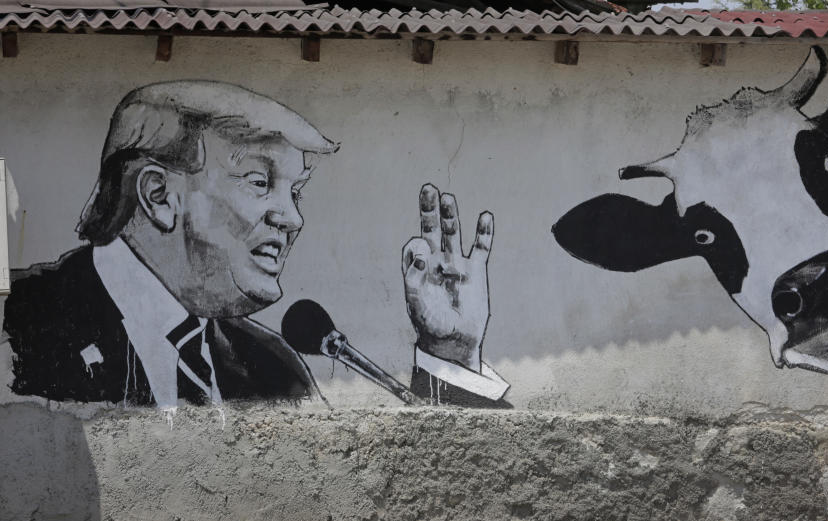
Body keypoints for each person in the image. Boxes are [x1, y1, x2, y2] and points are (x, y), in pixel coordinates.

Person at [2, 81, 509, 408]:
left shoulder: (277, 368)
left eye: (297, 192)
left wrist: (452, 353)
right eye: (259, 182)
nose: (292, 219)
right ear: (159, 196)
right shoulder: (20, 328)